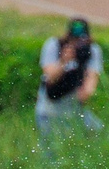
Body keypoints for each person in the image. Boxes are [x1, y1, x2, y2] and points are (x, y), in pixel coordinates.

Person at [37, 17, 104, 150]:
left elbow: (89, 85)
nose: (77, 45)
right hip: (49, 109)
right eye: (74, 41)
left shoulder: (92, 51)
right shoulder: (54, 45)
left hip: (73, 109)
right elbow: (49, 77)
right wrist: (64, 61)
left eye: (81, 42)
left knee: (97, 131)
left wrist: (82, 68)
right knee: (50, 151)